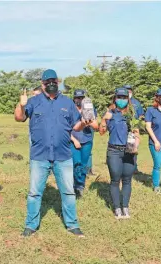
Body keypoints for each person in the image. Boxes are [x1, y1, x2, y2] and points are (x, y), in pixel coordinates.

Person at [14, 69, 87, 237]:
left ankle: (72, 224)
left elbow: (75, 125)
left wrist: (83, 124)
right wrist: (22, 105)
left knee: (68, 192)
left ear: (58, 82)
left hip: (63, 155)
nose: (51, 84)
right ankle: (31, 225)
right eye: (48, 82)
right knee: (34, 193)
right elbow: (19, 118)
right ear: (42, 84)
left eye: (54, 81)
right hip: (40, 156)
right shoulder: (34, 101)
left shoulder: (67, 103)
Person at [99, 87, 139, 220]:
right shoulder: (110, 113)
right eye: (119, 97)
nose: (121, 100)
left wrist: (136, 146)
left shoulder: (132, 114)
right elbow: (101, 132)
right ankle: (117, 208)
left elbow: (137, 133)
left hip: (129, 151)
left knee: (127, 180)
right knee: (115, 180)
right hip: (114, 151)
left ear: (128, 99)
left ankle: (125, 207)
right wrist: (104, 120)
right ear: (115, 98)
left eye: (124, 98)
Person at [70, 89, 98, 198]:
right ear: (74, 99)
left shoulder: (90, 109)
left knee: (84, 164)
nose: (79, 100)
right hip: (74, 141)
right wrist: (74, 140)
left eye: (81, 98)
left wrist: (89, 122)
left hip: (87, 140)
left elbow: (96, 126)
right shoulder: (70, 109)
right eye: (77, 98)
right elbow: (66, 128)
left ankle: (80, 185)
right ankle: (74, 184)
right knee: (76, 163)